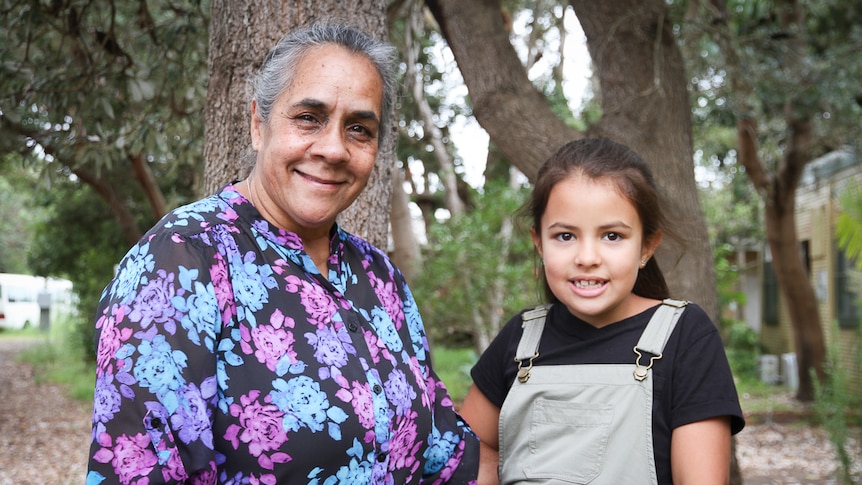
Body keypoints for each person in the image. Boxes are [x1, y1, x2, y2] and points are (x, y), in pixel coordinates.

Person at [87, 23, 479, 485]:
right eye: (309, 118)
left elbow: (443, 454)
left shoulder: (380, 277)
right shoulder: (182, 260)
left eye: (359, 128)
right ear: (259, 124)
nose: (334, 149)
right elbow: (141, 469)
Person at [459, 138, 745, 485]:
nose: (587, 257)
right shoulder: (520, 339)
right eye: (565, 236)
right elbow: (473, 447)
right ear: (539, 243)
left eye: (612, 236)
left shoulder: (684, 336)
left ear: (647, 246)